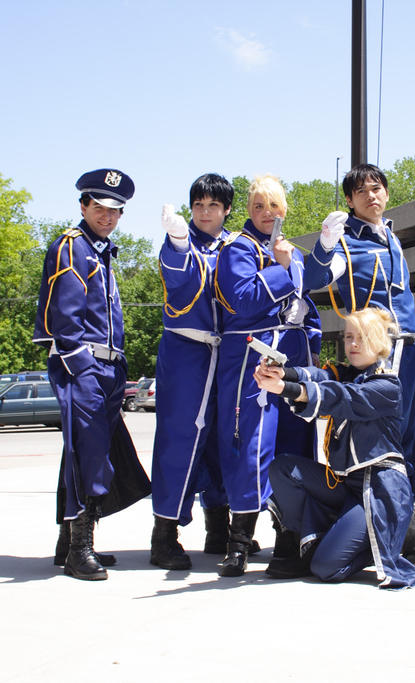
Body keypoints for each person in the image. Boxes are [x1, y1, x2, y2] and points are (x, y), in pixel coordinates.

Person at [303, 163, 415, 563]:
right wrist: (325, 244)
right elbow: (314, 279)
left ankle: (407, 516)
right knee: (387, 439)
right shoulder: (347, 240)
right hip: (380, 352)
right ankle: (393, 528)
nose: (372, 196)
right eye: (362, 191)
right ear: (350, 200)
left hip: (411, 345)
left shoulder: (392, 235)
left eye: (378, 188)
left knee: (414, 435)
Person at [33, 168, 150, 581]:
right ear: (84, 205)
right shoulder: (73, 247)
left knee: (88, 450)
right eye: (99, 207)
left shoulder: (98, 249)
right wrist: (84, 369)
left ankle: (69, 543)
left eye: (115, 210)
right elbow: (64, 320)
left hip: (107, 366)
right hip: (84, 366)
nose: (107, 215)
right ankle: (80, 549)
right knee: (90, 453)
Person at [256, 307, 415, 589]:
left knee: (326, 568)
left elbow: (343, 397)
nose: (353, 344)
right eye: (348, 337)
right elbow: (318, 377)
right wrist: (282, 372)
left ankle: (400, 535)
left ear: (379, 341)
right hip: (345, 485)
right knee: (283, 469)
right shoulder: (345, 373)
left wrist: (285, 389)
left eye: (362, 337)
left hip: (378, 490)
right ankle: (306, 545)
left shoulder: (387, 385)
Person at [212, 174, 321, 577]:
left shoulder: (294, 252)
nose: (266, 213)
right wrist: (281, 268)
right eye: (258, 206)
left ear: (285, 210)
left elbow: (306, 306)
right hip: (251, 356)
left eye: (273, 206)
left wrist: (314, 345)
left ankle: (289, 540)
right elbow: (241, 300)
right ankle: (238, 542)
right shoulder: (236, 249)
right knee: (252, 445)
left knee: (295, 444)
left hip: (293, 354)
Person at [149, 173, 236, 571]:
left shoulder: (236, 245)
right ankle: (164, 531)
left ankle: (218, 521)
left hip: (229, 352)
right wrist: (180, 242)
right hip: (187, 349)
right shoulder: (181, 242)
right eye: (198, 204)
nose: (204, 212)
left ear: (226, 209)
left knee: (224, 437)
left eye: (213, 205)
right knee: (181, 437)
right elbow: (177, 277)